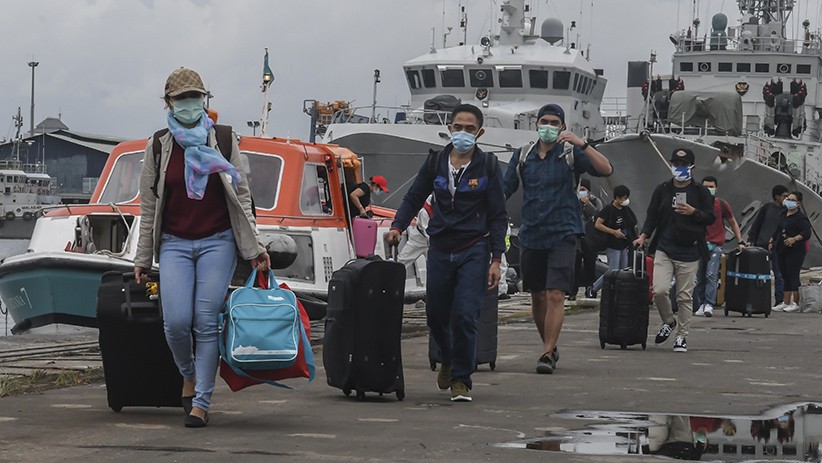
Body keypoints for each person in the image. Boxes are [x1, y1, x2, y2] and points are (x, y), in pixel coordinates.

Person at [133, 67, 271, 428]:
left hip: (218, 242)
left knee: (206, 322)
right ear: (168, 103)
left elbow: (242, 196)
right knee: (176, 323)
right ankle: (189, 375)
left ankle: (202, 403)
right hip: (175, 243)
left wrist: (255, 246)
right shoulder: (158, 145)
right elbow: (149, 207)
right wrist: (142, 258)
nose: (191, 104)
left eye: (196, 97)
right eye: (182, 98)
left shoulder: (223, 139)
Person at [385, 103, 507, 402]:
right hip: (440, 247)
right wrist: (398, 226)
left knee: (466, 315)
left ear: (479, 133)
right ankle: (449, 358)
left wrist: (495, 259)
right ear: (449, 129)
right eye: (458, 127)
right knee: (436, 315)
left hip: (473, 248)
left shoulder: (488, 166)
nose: (462, 133)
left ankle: (462, 379)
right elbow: (414, 196)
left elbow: (498, 215)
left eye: (469, 129)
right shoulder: (435, 162)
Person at [503, 103, 612, 374]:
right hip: (531, 233)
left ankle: (547, 352)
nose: (548, 126)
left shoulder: (570, 153)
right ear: (536, 124)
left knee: (555, 294)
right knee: (537, 296)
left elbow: (606, 169)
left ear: (563, 126)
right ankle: (548, 346)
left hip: (563, 232)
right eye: (544, 121)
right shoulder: (523, 156)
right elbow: (504, 189)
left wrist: (582, 143)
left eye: (554, 122)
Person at [633, 148, 715, 353]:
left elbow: (710, 218)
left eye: (684, 165)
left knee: (684, 296)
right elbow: (652, 214)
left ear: (692, 167)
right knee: (660, 290)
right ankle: (668, 321)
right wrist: (644, 235)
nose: (679, 168)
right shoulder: (662, 189)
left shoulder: (701, 192)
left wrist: (693, 211)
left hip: (690, 250)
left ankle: (682, 336)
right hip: (665, 247)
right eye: (676, 164)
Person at [694, 176, 745, 317]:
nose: (708, 189)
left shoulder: (721, 204)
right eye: (705, 186)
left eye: (711, 186)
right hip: (699, 244)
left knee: (711, 274)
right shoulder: (695, 203)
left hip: (715, 245)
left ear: (716, 188)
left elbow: (733, 222)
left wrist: (740, 241)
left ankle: (709, 304)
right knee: (699, 276)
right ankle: (701, 303)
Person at [747, 184, 789, 308]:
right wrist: (750, 240)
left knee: (779, 275)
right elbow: (757, 224)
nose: (787, 199)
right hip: (762, 245)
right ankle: (759, 299)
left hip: (778, 247)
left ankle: (779, 300)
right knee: (760, 274)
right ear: (777, 197)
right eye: (785, 196)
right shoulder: (766, 208)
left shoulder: (787, 211)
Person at [591, 185, 637, 293]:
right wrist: (613, 232)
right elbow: (598, 224)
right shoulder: (609, 209)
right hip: (612, 245)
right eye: (623, 198)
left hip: (623, 244)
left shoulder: (626, 210)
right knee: (612, 271)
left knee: (623, 272)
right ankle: (594, 288)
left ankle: (618, 292)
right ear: (617, 197)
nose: (625, 200)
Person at [770, 191, 811, 312]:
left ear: (798, 203)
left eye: (792, 200)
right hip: (782, 248)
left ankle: (795, 303)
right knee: (784, 275)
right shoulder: (784, 213)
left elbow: (806, 233)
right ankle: (785, 301)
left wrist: (795, 239)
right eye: (788, 198)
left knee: (793, 275)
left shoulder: (801, 218)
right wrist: (772, 240)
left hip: (795, 250)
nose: (788, 201)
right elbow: (779, 228)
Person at [574, 177, 604, 299]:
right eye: (579, 189)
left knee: (590, 266)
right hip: (577, 237)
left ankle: (590, 290)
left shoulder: (596, 201)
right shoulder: (574, 201)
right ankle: (572, 291)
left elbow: (599, 215)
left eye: (584, 189)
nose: (581, 192)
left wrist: (588, 204)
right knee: (575, 265)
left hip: (591, 238)